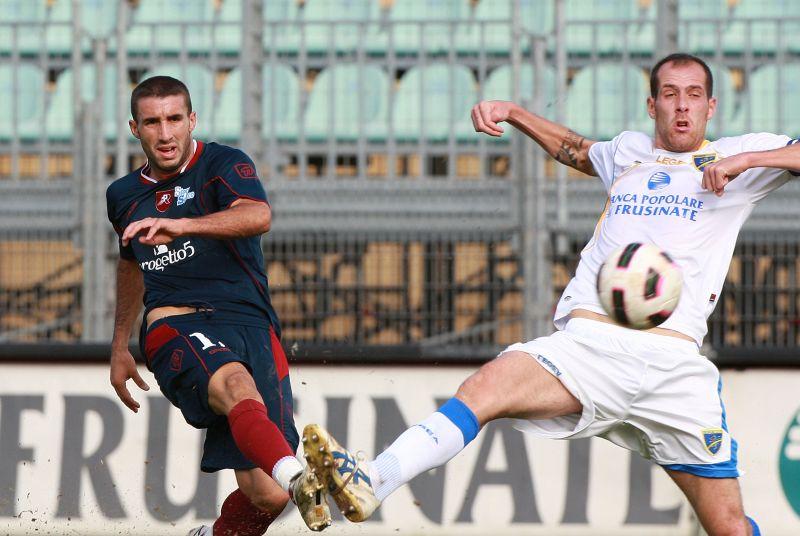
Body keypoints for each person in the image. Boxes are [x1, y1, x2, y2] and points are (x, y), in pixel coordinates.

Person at [301, 53, 800, 535]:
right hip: (590, 347)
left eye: (694, 95)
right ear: (653, 106)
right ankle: (374, 481)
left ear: (711, 106)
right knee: (483, 390)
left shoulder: (739, 158)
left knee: (728, 527)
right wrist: (515, 113)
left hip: (673, 364)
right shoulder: (629, 153)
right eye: (670, 94)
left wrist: (749, 159)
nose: (683, 105)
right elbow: (577, 149)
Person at [106, 76, 331, 535]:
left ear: (192, 120)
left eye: (173, 119)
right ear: (135, 128)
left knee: (267, 495)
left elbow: (258, 215)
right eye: (152, 122)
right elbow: (130, 262)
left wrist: (183, 226)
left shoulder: (224, 164)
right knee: (235, 385)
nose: (165, 134)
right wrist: (119, 344)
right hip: (177, 324)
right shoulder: (123, 195)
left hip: (251, 325)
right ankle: (300, 476)